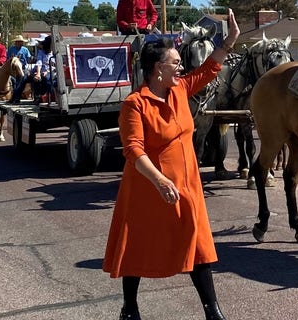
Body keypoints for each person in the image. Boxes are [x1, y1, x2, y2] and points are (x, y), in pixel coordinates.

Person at [103, 8, 239, 320]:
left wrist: (229, 40)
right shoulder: (134, 105)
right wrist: (160, 180)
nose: (180, 66)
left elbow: (209, 69)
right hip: (149, 187)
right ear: (156, 69)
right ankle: (130, 307)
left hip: (187, 183)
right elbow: (133, 151)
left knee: (198, 242)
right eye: (174, 62)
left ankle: (212, 311)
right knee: (139, 244)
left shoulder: (179, 89)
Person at [7, 35, 32, 103]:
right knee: (12, 80)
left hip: (23, 68)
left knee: (26, 77)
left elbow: (28, 59)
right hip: (13, 69)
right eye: (18, 42)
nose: (20, 43)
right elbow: (8, 59)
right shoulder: (11, 49)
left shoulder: (25, 50)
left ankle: (28, 93)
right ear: (15, 42)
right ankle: (13, 94)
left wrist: (30, 60)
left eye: (21, 42)